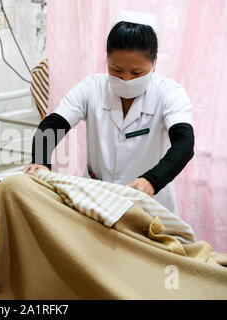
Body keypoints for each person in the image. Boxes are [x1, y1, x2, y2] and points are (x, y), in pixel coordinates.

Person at [24, 18, 195, 215]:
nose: (126, 79)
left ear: (154, 64)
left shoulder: (169, 93)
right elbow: (52, 125)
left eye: (137, 72)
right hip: (97, 199)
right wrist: (40, 161)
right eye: (117, 70)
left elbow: (184, 143)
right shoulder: (92, 88)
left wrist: (151, 180)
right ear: (106, 60)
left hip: (149, 204)